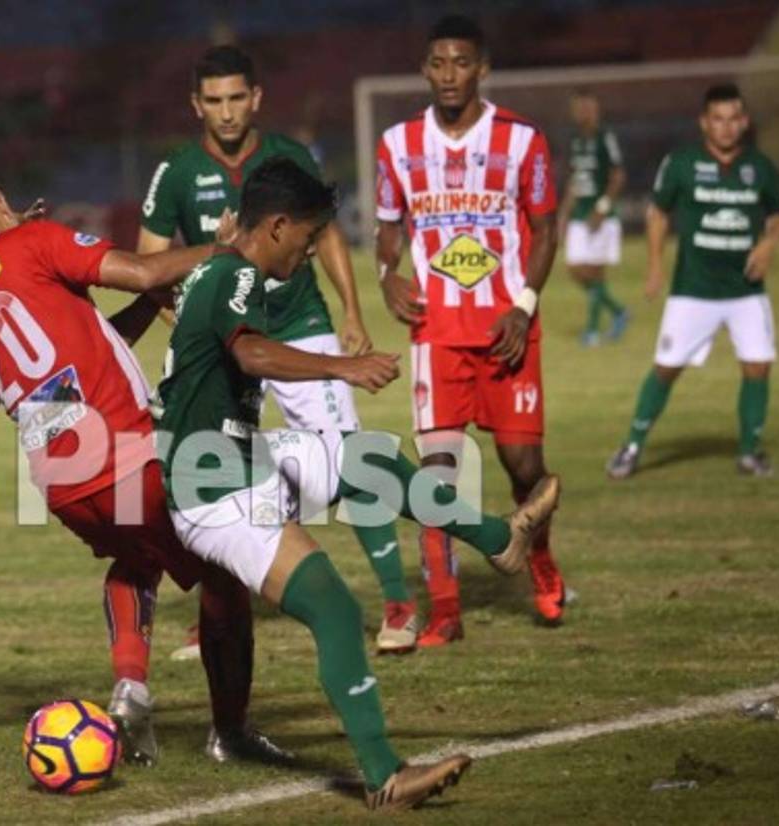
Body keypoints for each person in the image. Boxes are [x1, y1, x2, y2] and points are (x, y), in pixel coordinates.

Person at [157, 155, 560, 810]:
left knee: (364, 456)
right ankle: (386, 775)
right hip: (215, 492)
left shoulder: (225, 269)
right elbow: (248, 352)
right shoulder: (233, 275)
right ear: (280, 226)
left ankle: (499, 537)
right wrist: (343, 367)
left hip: (236, 458)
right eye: (310, 238)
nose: (312, 249)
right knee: (336, 610)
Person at [0, 172, 286, 767]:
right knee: (224, 571)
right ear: (0, 201)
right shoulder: (36, 239)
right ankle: (231, 733)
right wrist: (230, 249)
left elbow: (92, 339)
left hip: (61, 479)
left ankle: (131, 689)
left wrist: (146, 306)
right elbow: (144, 269)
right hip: (126, 453)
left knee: (137, 559)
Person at [140, 44, 418, 657]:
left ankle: (398, 603)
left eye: (237, 97)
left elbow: (327, 239)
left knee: (352, 460)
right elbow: (149, 263)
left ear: (257, 98)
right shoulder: (177, 173)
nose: (228, 111)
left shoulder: (289, 157)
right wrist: (191, 334)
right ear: (196, 105)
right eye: (214, 100)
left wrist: (349, 310)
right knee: (217, 472)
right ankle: (214, 615)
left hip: (300, 329)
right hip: (226, 344)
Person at [375, 14, 569, 640]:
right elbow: (387, 227)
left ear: (482, 68)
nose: (449, 74)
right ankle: (447, 610)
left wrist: (525, 302)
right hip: (436, 334)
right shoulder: (397, 143)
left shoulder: (521, 139)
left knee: (522, 468)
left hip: (506, 331)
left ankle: (539, 560)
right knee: (435, 475)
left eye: (462, 62)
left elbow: (545, 227)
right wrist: (386, 274)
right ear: (424, 69)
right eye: (438, 62)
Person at [606, 83, 779, 479]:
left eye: (733, 119)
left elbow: (777, 214)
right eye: (717, 119)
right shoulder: (682, 163)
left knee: (758, 366)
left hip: (747, 291)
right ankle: (632, 446)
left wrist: (768, 245)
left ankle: (749, 451)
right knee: (667, 367)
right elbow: (658, 213)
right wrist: (655, 266)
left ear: (744, 122)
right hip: (693, 290)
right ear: (704, 123)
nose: (726, 127)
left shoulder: (760, 167)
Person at [559, 89, 629, 347]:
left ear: (596, 110)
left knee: (595, 272)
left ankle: (591, 331)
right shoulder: (576, 140)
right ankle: (619, 311)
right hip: (579, 216)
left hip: (602, 217)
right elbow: (574, 181)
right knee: (575, 268)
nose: (583, 113)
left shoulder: (605, 137)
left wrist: (602, 206)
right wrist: (563, 215)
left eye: (587, 107)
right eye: (578, 108)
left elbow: (618, 175)